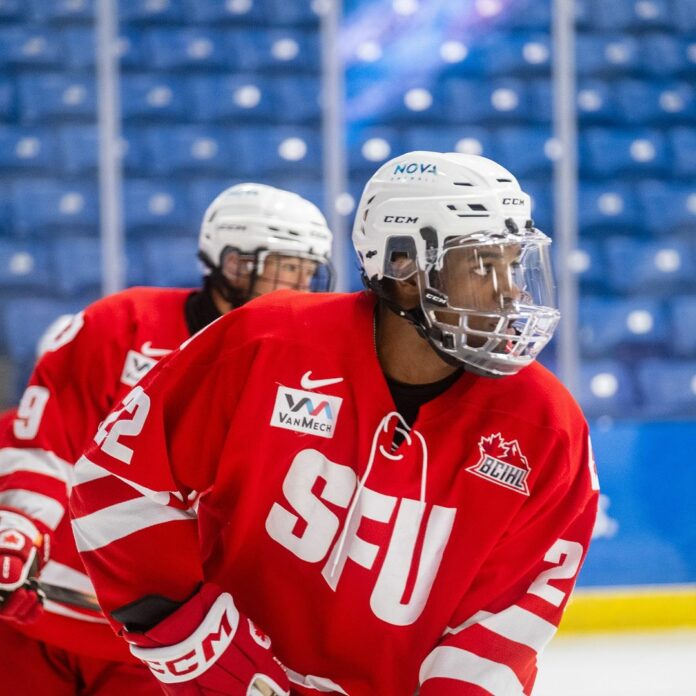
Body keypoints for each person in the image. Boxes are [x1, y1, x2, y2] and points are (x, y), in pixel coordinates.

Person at [69, 153, 600, 696]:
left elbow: (505, 620)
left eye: (514, 265)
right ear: (404, 268)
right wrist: (205, 655)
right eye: (483, 266)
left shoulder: (547, 428)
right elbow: (116, 484)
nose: (510, 291)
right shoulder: (264, 343)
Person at [0, 183, 334, 695]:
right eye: (277, 265)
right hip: (41, 607)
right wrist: (19, 528)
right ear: (229, 260)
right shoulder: (123, 324)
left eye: (304, 270)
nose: (291, 285)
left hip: (164, 640)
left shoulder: (312, 374)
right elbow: (45, 441)